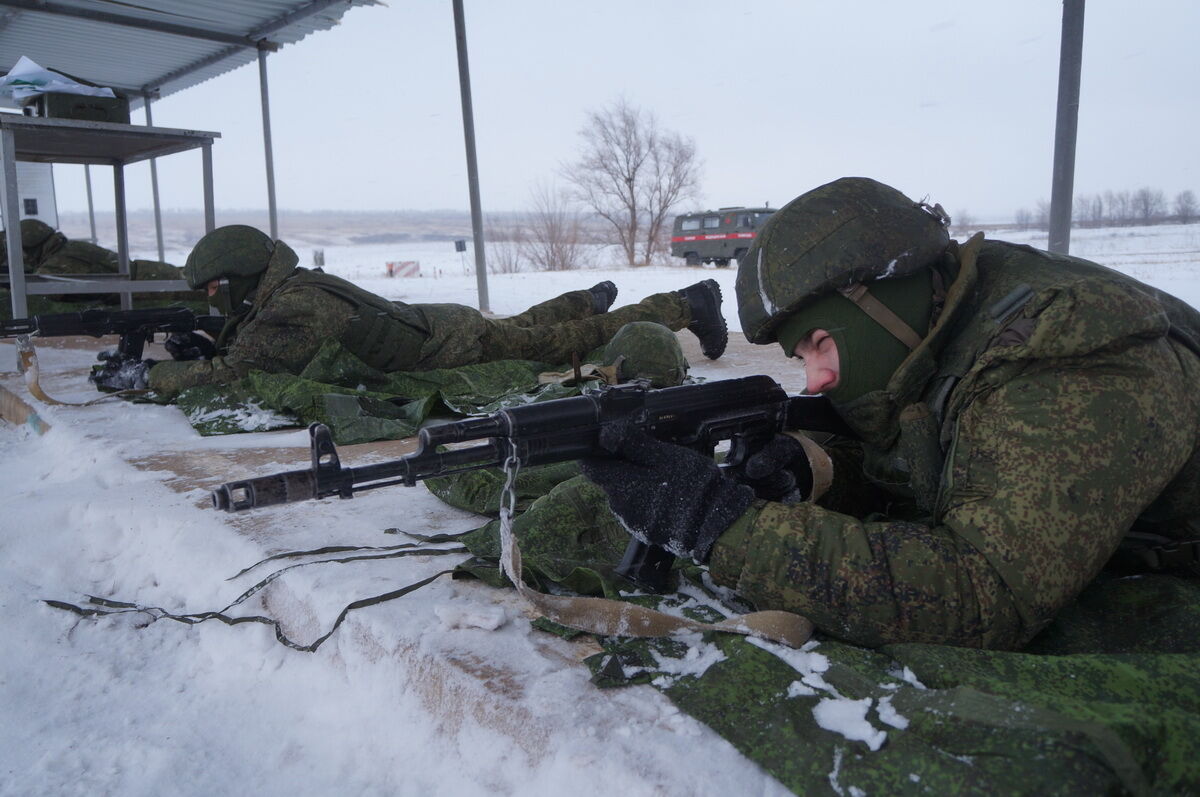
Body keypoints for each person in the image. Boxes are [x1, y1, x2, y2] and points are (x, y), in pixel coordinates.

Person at [580, 176, 1200, 650]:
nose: (816, 379)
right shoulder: (938, 325)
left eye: (821, 342)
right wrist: (815, 470)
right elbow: (935, 460)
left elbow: (983, 595)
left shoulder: (1069, 357)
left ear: (880, 298)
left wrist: (720, 525)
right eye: (801, 356)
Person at [92, 224, 728, 394]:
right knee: (530, 328)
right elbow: (245, 348)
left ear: (239, 279)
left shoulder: (292, 308)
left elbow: (237, 375)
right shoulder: (286, 289)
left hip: (447, 344)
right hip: (439, 327)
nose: (210, 298)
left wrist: (149, 375)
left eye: (213, 288)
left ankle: (686, 302)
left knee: (571, 341)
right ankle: (584, 297)